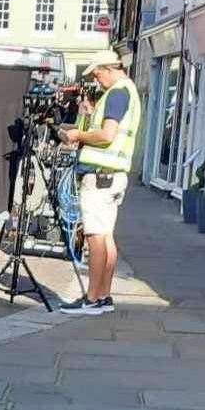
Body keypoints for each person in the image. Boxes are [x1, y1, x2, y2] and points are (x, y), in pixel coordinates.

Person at [59, 50, 142, 314]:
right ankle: (104, 296)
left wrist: (77, 133)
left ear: (108, 68)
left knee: (95, 236)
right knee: (106, 237)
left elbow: (107, 135)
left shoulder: (117, 92)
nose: (97, 81)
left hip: (100, 176)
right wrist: (90, 114)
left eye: (97, 74)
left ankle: (92, 298)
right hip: (115, 175)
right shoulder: (127, 91)